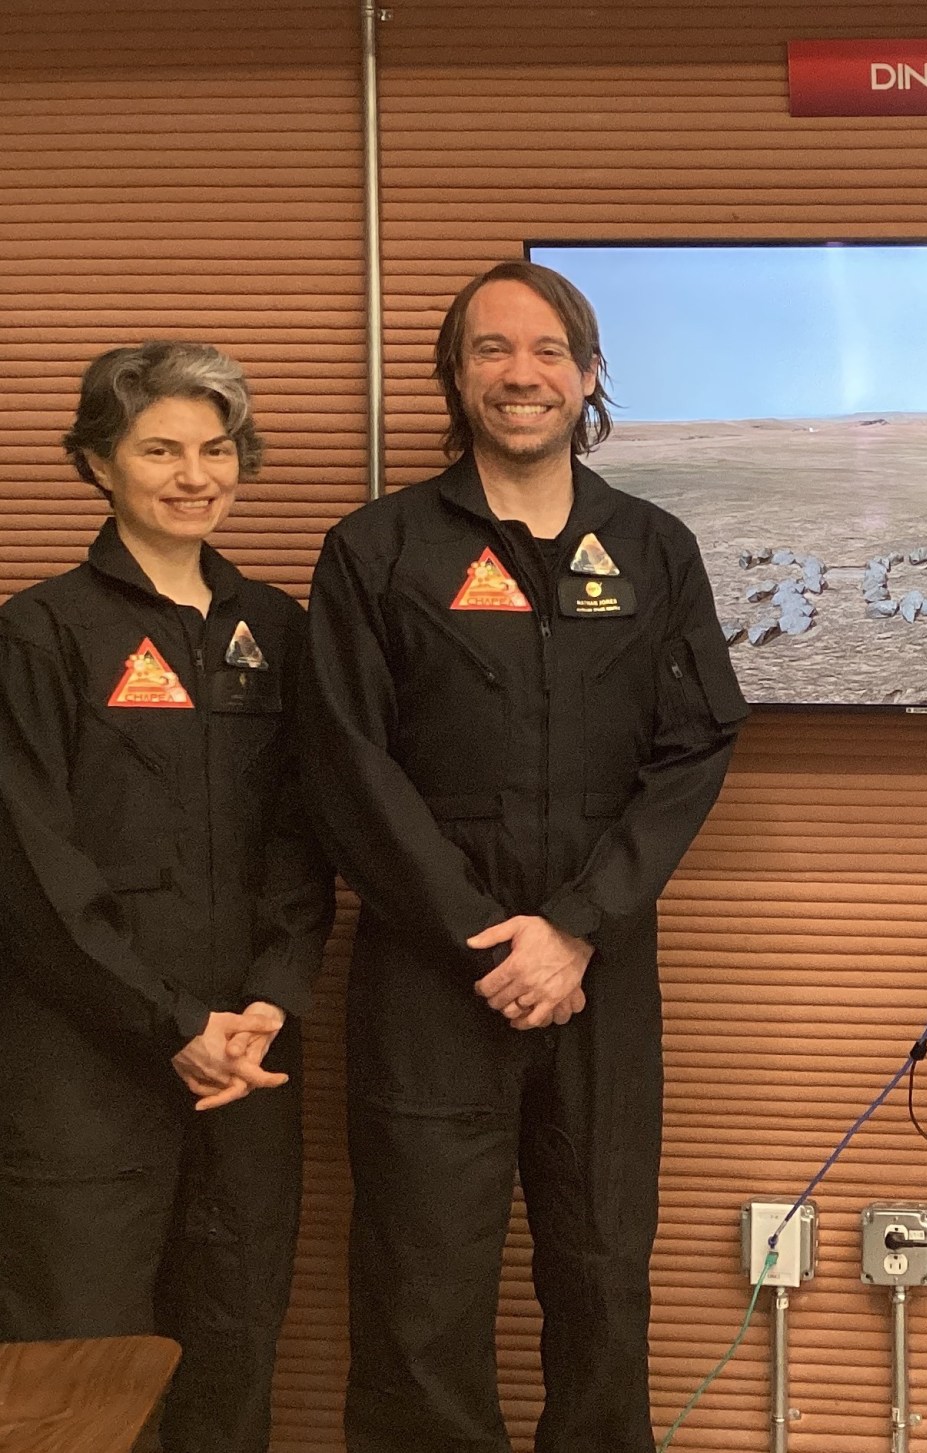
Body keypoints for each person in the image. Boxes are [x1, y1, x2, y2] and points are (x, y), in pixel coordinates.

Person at [302, 260, 748, 1453]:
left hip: (596, 972)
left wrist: (577, 925)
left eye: (549, 350)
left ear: (590, 376)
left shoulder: (651, 549)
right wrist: (479, 936)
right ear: (455, 376)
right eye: (492, 349)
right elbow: (347, 763)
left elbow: (695, 744)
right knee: (421, 1282)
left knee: (603, 1269)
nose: (521, 373)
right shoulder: (378, 550)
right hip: (428, 973)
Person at [0, 341, 333, 1453]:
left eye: (216, 447)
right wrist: (172, 1022)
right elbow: (34, 870)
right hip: (83, 1071)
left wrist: (271, 1000)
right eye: (160, 449)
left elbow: (302, 839)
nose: (195, 474)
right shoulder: (39, 634)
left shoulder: (277, 632)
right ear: (98, 463)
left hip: (247, 1064)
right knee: (80, 1362)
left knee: (234, 1337)